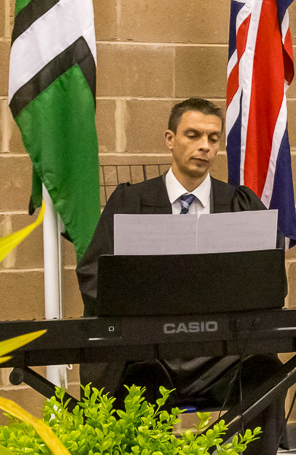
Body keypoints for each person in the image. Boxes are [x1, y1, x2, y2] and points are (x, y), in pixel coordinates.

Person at [76, 97, 285, 455]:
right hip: (145, 352)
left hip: (219, 355)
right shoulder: (131, 202)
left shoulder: (240, 204)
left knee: (265, 372)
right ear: (170, 139)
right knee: (138, 383)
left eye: (213, 138)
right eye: (193, 135)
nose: (204, 146)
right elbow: (94, 275)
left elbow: (271, 283)